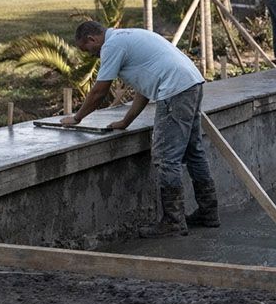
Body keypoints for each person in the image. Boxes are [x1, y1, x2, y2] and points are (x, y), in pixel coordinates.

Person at [61, 21, 220, 238]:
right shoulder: (128, 37)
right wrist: (125, 121)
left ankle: (174, 221)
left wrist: (77, 118)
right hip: (191, 83)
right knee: (194, 153)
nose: (90, 55)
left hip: (174, 90)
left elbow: (99, 90)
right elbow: (144, 90)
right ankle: (209, 213)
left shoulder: (112, 46)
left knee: (167, 158)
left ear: (92, 39)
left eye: (87, 50)